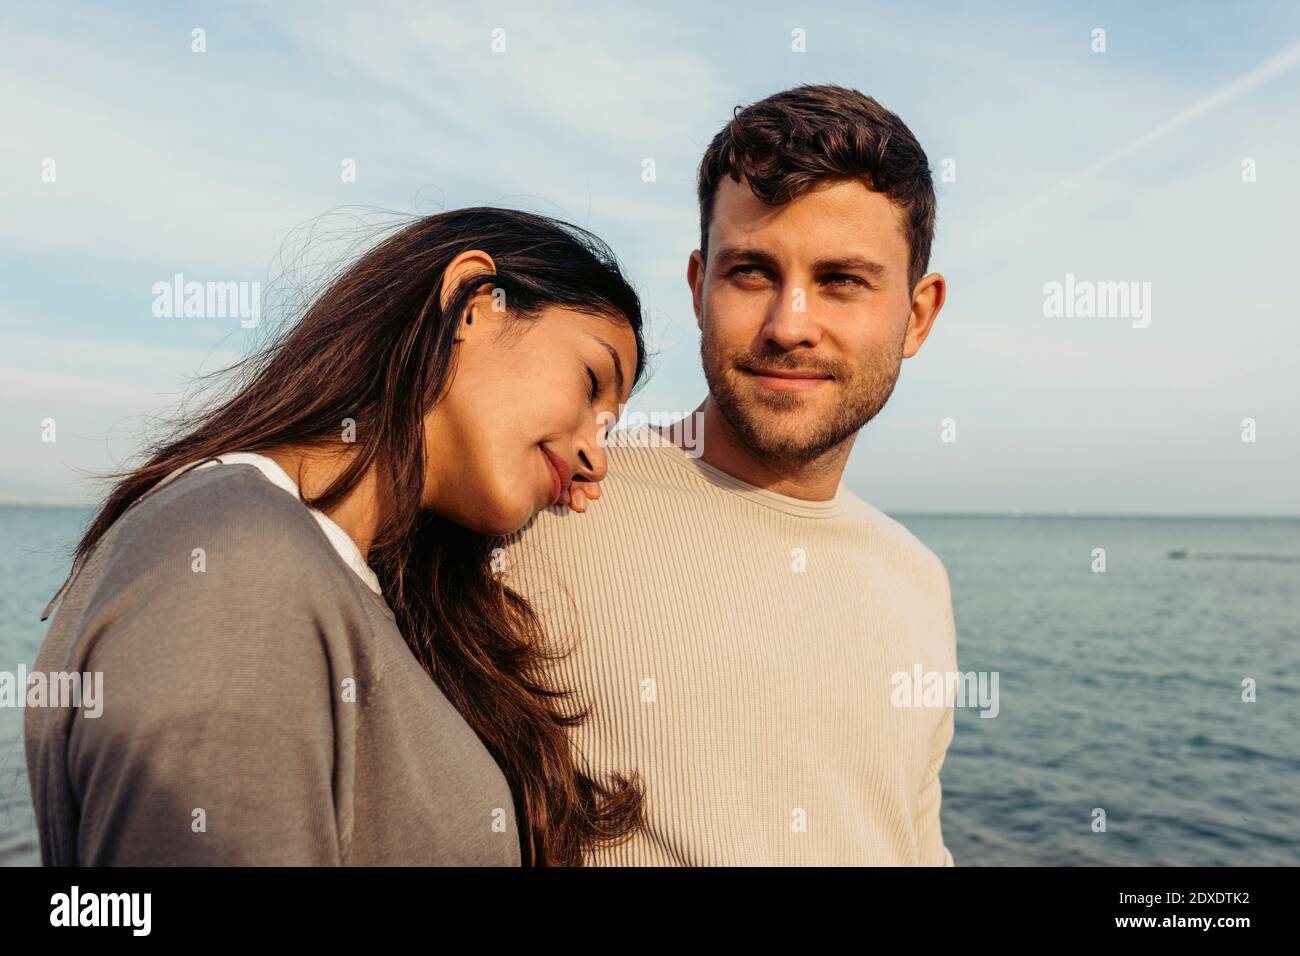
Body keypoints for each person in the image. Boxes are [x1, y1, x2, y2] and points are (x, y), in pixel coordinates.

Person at [25, 207, 647, 866]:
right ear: (473, 302)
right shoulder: (238, 566)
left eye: (608, 428)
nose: (595, 458)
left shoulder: (333, 577)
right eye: (591, 384)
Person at [499, 84, 957, 864]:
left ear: (917, 315)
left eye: (843, 280)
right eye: (751, 272)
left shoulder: (918, 579)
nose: (790, 325)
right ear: (698, 286)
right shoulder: (548, 505)